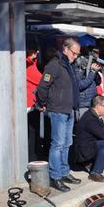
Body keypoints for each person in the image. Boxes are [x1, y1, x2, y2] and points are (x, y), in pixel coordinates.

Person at [35, 37, 82, 192]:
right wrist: (42, 103)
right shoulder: (54, 65)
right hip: (58, 110)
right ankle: (55, 176)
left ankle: (64, 171)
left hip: (69, 109)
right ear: (66, 49)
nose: (75, 56)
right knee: (57, 144)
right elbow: (43, 86)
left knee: (67, 143)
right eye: (74, 53)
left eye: (77, 54)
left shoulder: (68, 65)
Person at [73, 46, 103, 119]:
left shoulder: (92, 64)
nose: (97, 55)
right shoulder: (78, 66)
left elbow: (98, 82)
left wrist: (95, 71)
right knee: (83, 126)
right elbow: (80, 85)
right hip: (83, 103)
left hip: (92, 102)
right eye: (95, 53)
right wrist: (92, 72)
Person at [26, 48, 43, 162]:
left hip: (33, 103)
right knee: (31, 133)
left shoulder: (32, 63)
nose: (37, 53)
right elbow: (40, 79)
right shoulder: (27, 65)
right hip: (29, 105)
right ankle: (31, 158)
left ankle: (33, 156)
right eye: (35, 51)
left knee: (34, 133)